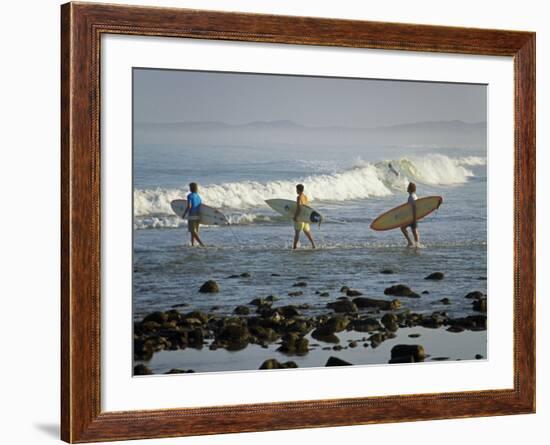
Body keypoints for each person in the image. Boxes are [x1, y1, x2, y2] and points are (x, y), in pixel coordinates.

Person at [292, 184, 316, 250]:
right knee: (307, 232)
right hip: (305, 218)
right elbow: (306, 207)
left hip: (300, 217)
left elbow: (299, 208)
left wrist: (295, 217)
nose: (296, 191)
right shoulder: (305, 197)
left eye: (296, 189)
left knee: (297, 233)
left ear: (298, 190)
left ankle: (294, 247)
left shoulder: (298, 197)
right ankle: (313, 245)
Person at [181, 182, 205, 247]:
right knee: (194, 231)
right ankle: (192, 244)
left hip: (192, 214)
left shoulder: (189, 196)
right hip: (198, 214)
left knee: (193, 231)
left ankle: (202, 244)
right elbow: (200, 206)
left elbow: (189, 206)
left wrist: (184, 214)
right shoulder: (198, 196)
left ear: (191, 188)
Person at [401, 182, 420, 248]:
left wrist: (414, 218)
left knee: (403, 228)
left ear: (410, 188)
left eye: (408, 187)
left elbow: (415, 207)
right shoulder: (414, 195)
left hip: (412, 217)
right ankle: (416, 244)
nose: (407, 188)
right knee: (414, 230)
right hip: (412, 216)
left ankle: (411, 242)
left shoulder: (412, 197)